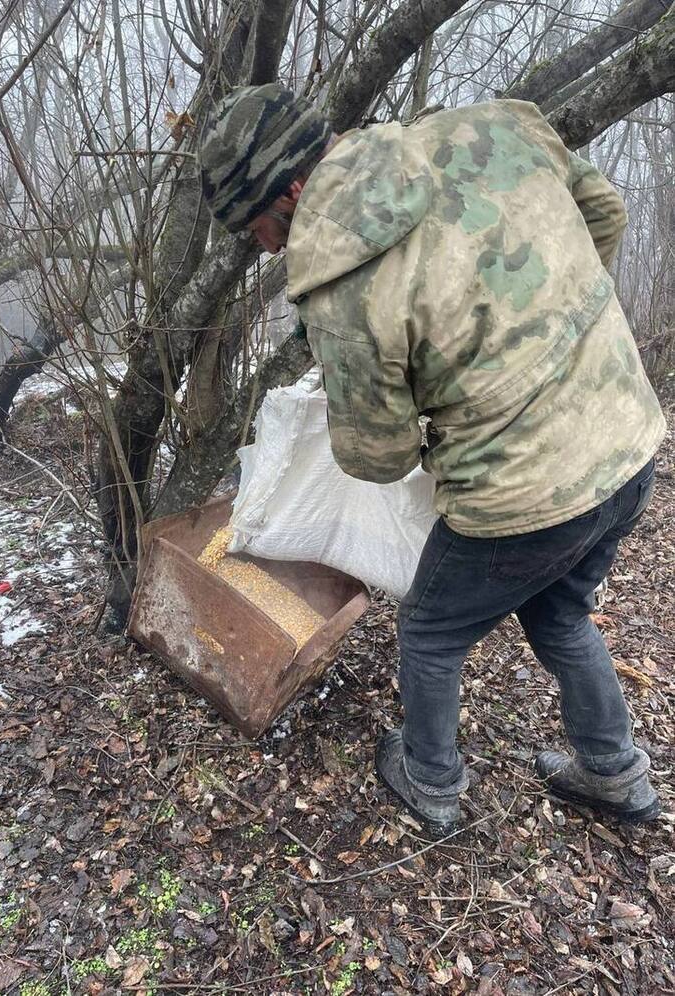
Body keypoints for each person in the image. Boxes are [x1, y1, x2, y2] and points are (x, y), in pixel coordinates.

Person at [199, 83, 665, 835]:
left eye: (256, 228)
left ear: (290, 192)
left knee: (429, 629)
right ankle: (615, 774)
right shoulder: (487, 130)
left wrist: (424, 404)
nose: (265, 247)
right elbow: (604, 212)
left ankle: (430, 781)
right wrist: (550, 335)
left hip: (526, 491)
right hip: (627, 436)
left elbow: (378, 457)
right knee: (559, 612)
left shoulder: (341, 288)